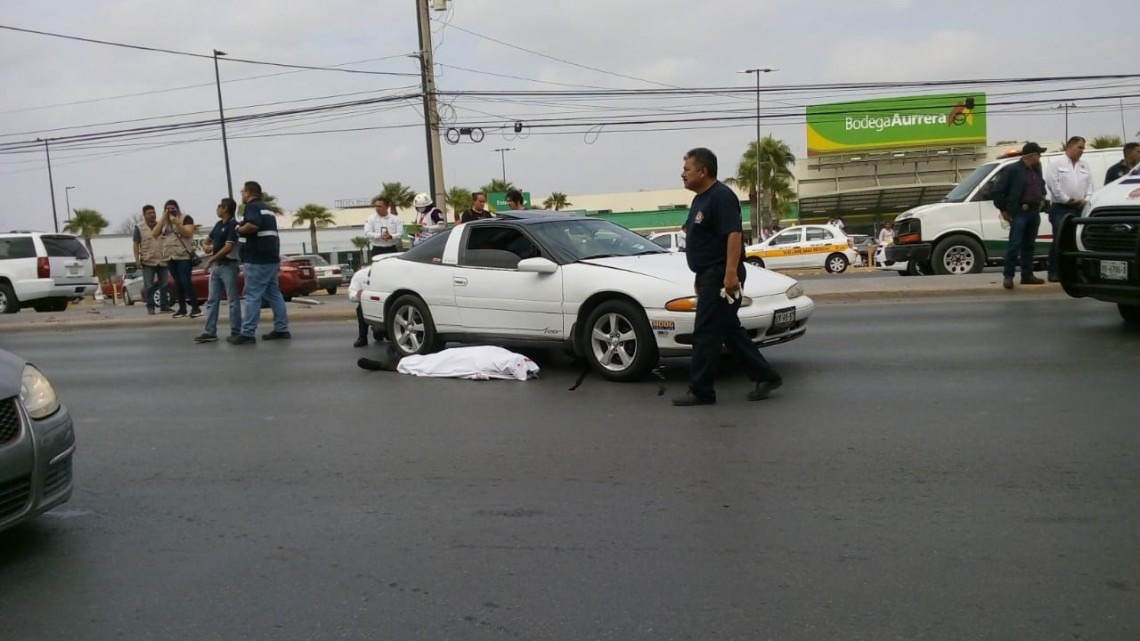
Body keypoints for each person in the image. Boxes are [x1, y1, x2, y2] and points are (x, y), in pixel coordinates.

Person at [672, 147, 783, 407]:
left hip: (722, 274)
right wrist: (699, 277)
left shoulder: (721, 196)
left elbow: (733, 235)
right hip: (709, 274)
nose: (683, 174)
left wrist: (730, 273)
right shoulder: (701, 198)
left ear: (703, 171)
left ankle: (701, 391)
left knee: (705, 332)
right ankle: (766, 376)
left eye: (687, 170)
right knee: (729, 330)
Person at [229, 180, 290, 344]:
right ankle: (281, 329)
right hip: (271, 257)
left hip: (257, 258)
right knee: (273, 293)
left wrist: (238, 229)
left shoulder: (252, 207)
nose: (241, 194)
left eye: (242, 191)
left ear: (248, 193)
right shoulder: (267, 209)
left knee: (252, 295)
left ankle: (247, 333)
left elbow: (253, 225)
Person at [992, 142, 1048, 290]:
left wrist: (1042, 196)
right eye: (1038, 154)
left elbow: (1041, 185)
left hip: (1033, 211)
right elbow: (997, 189)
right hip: (1019, 211)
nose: (1040, 157)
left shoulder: (1036, 169)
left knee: (1029, 245)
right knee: (1014, 244)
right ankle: (1008, 276)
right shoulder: (1013, 170)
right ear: (1031, 155)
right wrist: (1003, 209)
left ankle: (1027, 275)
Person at [1045, 136, 1093, 282]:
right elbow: (1054, 186)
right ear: (1070, 146)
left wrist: (1086, 200)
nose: (1082, 151)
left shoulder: (1084, 166)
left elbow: (1090, 185)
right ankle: (1054, 271)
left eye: (1083, 148)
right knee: (1061, 239)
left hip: (1080, 208)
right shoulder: (1056, 163)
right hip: (1061, 208)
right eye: (1080, 147)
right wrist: (1068, 200)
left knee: (1077, 240)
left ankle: (1074, 272)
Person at [194, 198, 242, 343]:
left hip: (229, 265)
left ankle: (236, 331)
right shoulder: (218, 225)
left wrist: (211, 259)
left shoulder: (234, 225)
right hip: (217, 267)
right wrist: (207, 246)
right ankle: (210, 331)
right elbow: (206, 240)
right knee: (212, 299)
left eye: (219, 206)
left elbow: (228, 247)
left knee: (232, 300)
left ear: (226, 208)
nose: (217, 209)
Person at [153, 199, 201, 318]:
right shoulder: (164, 222)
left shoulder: (186, 218)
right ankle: (182, 309)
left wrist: (176, 222)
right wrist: (163, 218)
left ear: (177, 208)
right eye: (167, 209)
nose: (170, 211)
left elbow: (188, 233)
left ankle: (196, 308)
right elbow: (155, 233)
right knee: (177, 283)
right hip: (170, 256)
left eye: (172, 208)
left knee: (186, 281)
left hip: (183, 255)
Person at [132, 204, 170, 315]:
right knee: (149, 285)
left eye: (153, 212)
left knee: (164, 284)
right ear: (144, 215)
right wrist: (137, 259)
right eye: (149, 213)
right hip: (148, 260)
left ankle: (164, 306)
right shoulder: (139, 228)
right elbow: (135, 244)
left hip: (162, 260)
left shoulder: (162, 225)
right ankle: (151, 307)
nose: (152, 215)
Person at [348, 266, 386, 347]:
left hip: (387, 305)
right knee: (361, 307)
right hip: (370, 304)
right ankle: (362, 337)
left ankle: (379, 331)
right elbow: (352, 294)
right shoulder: (360, 275)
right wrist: (358, 295)